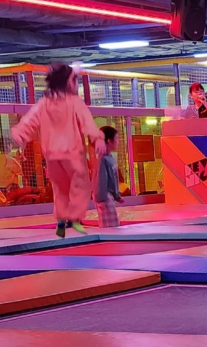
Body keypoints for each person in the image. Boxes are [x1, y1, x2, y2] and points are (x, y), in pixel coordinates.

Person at [11, 62, 104, 238]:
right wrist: (97, 138)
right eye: (75, 81)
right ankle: (74, 219)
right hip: (72, 152)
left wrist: (19, 134)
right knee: (81, 184)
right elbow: (87, 124)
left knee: (60, 188)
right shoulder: (74, 102)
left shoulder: (44, 102)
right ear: (69, 83)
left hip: (52, 154)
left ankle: (61, 220)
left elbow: (30, 120)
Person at [95, 125, 124, 228]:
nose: (118, 142)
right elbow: (101, 181)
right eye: (116, 139)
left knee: (114, 222)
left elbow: (114, 179)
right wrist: (101, 200)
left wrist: (117, 196)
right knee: (109, 225)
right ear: (109, 141)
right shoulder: (102, 159)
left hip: (109, 195)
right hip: (104, 196)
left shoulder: (110, 157)